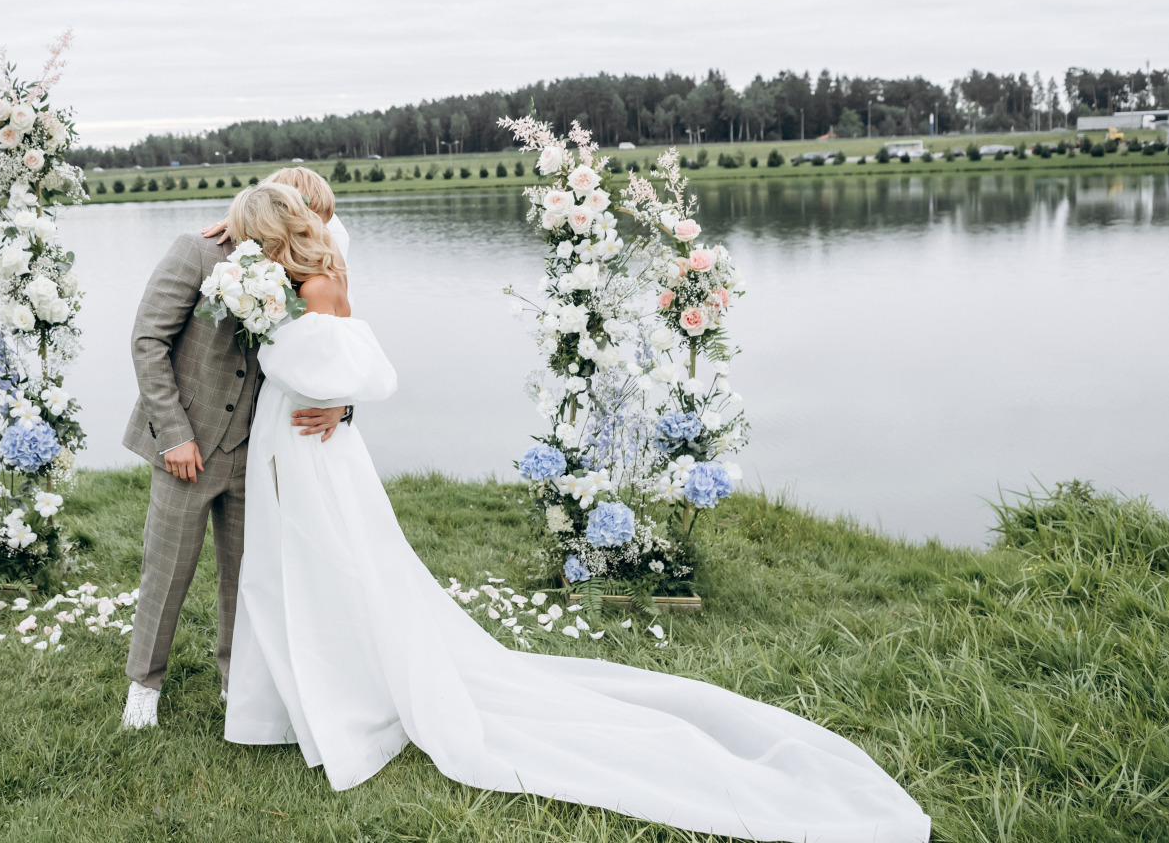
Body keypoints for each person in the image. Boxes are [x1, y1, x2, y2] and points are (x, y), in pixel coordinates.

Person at [219, 185, 932, 842]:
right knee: (306, 559)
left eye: (246, 238)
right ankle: (294, 696)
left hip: (308, 442)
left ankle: (343, 693)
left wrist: (272, 332)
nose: (238, 252)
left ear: (267, 237)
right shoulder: (309, 277)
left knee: (325, 558)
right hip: (307, 439)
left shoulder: (313, 286)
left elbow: (332, 368)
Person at [119, 193, 348, 729]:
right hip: (189, 447)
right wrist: (174, 436)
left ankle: (236, 683)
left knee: (247, 575)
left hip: (262, 445)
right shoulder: (194, 253)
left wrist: (341, 400)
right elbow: (148, 341)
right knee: (167, 568)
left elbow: (336, 340)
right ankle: (144, 686)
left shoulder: (299, 264)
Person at [202, 165, 350, 260]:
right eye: (301, 233)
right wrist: (244, 221)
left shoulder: (333, 244)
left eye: (322, 228)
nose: (313, 241)